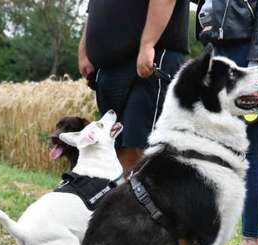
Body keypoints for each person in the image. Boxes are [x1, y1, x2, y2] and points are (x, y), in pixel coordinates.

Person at [193, 0, 258, 245]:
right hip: (221, 47)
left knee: (251, 149)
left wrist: (257, 66)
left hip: (249, 50)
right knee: (219, 146)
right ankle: (214, 241)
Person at [79, 0, 190, 173]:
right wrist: (85, 49)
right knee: (115, 146)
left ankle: (151, 199)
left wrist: (148, 44)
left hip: (149, 60)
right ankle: (124, 199)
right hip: (109, 67)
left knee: (144, 147)